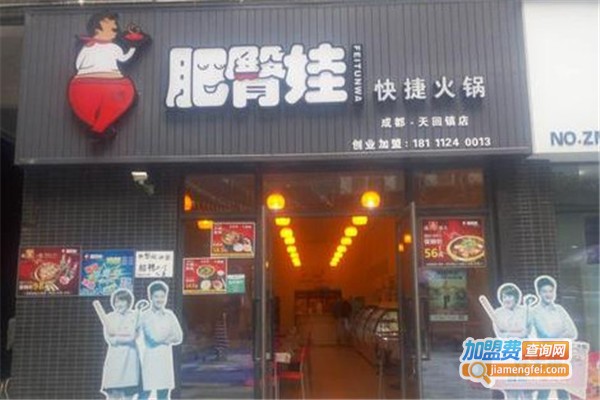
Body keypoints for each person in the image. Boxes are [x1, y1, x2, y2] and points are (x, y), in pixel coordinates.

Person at [68, 12, 148, 135]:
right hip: (106, 84)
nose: (116, 31)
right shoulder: (99, 47)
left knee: (105, 105)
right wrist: (133, 46)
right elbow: (125, 58)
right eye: (113, 29)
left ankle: (98, 128)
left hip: (85, 84)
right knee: (120, 96)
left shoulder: (94, 47)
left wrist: (133, 46)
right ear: (97, 29)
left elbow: (79, 65)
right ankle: (99, 128)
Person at [530, 275, 577, 400]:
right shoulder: (534, 311)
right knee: (544, 391)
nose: (548, 294)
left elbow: (572, 332)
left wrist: (557, 335)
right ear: (539, 293)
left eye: (551, 291)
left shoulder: (559, 309)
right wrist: (562, 332)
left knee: (563, 391)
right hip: (545, 356)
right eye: (545, 291)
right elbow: (548, 333)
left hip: (561, 355)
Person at [139, 281, 183, 400]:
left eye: (162, 296)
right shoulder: (145, 315)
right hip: (150, 359)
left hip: (165, 360)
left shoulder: (170, 315)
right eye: (156, 296)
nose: (160, 300)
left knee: (163, 395)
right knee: (144, 394)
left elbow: (179, 337)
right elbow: (154, 338)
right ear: (150, 297)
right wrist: (169, 336)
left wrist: (166, 338)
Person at [493, 284, 532, 400]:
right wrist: (516, 332)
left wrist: (509, 332)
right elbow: (500, 334)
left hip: (523, 352)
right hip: (507, 353)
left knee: (525, 387)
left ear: (516, 298)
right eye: (504, 297)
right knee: (510, 387)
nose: (507, 299)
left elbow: (526, 331)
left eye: (509, 296)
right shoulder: (498, 313)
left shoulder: (524, 311)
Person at [101, 289, 140, 400]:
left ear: (128, 302)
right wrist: (124, 336)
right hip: (114, 359)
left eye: (122, 301)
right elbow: (110, 339)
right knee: (113, 394)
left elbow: (133, 337)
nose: (119, 304)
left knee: (129, 395)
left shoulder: (135, 316)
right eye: (117, 302)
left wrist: (118, 336)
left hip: (130, 359)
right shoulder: (109, 317)